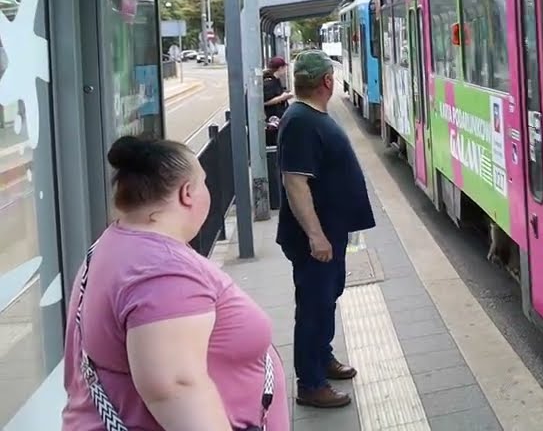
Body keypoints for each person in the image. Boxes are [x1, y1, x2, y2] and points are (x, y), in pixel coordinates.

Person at [62, 136, 287, 431]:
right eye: (204, 182)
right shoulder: (161, 271)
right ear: (187, 193)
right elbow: (177, 387)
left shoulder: (117, 244)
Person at [275, 50, 376, 409]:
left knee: (327, 298)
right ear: (328, 82)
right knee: (315, 306)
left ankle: (322, 357)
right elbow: (295, 183)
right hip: (314, 237)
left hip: (330, 231)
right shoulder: (301, 121)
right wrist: (316, 236)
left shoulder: (306, 115)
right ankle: (311, 383)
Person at [263, 57, 292, 122]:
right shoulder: (269, 83)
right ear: (280, 68)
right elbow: (265, 102)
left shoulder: (276, 80)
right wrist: (282, 97)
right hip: (273, 118)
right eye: (284, 68)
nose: (285, 70)